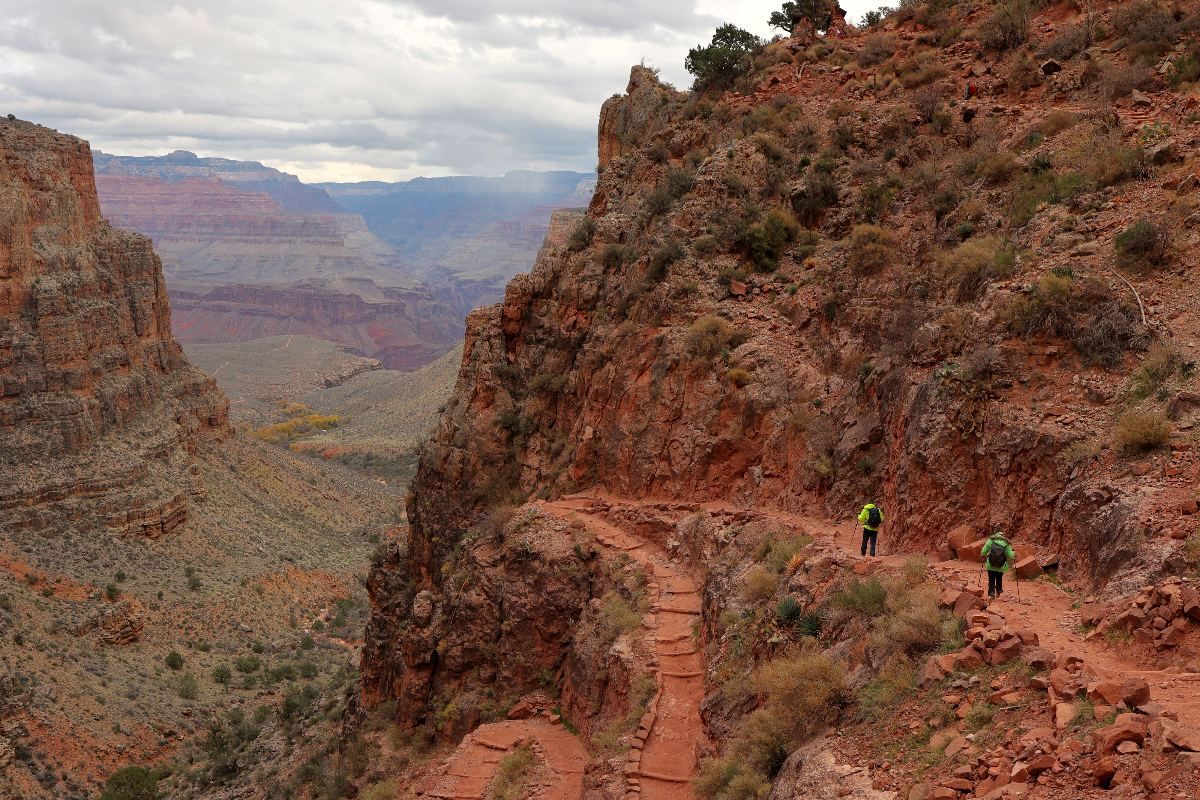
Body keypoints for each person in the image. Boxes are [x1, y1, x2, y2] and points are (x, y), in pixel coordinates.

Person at [981, 530, 1015, 599]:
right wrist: (1013, 553)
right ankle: (998, 591)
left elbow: (983, 551)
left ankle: (991, 593)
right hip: (1001, 565)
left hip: (991, 564)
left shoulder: (991, 540)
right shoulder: (1006, 543)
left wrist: (984, 556)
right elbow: (1011, 556)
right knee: (999, 577)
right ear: (1003, 536)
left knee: (991, 578)